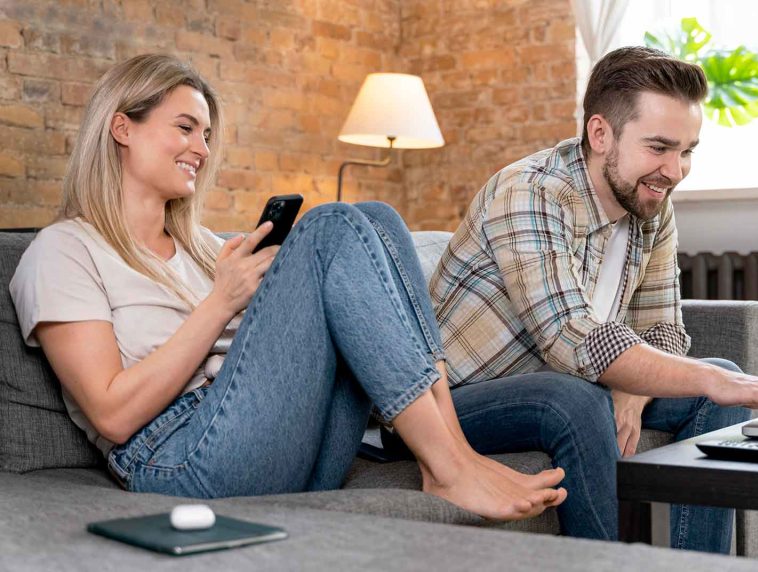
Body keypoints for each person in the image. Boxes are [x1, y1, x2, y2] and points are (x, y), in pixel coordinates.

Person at [8, 54, 567, 521]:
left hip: (286, 443)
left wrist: (264, 295)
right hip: (178, 459)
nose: (202, 149)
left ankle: (449, 454)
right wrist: (222, 300)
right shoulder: (63, 251)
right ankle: (450, 466)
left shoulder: (205, 246)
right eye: (184, 128)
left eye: (206, 134)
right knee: (330, 226)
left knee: (377, 218)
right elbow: (111, 414)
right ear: (122, 126)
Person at [427, 46, 758, 551]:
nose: (676, 170)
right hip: (456, 402)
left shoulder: (651, 204)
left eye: (687, 151)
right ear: (601, 134)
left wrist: (635, 389)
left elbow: (665, 329)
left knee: (713, 391)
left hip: (571, 386)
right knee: (583, 395)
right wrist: (714, 378)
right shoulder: (531, 192)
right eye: (659, 147)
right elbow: (569, 337)